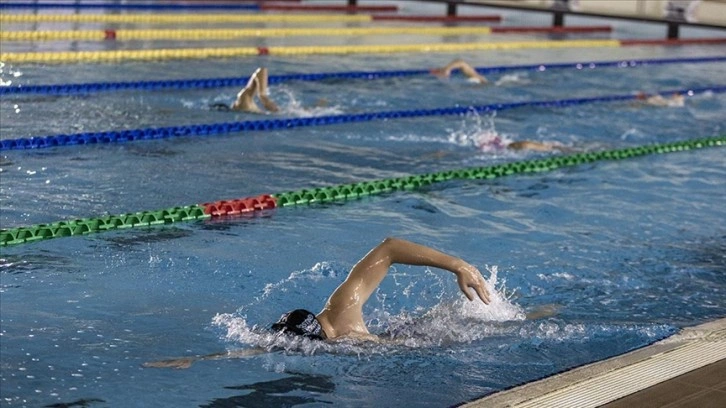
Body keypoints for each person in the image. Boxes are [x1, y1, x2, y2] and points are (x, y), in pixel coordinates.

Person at [143, 238, 490, 368]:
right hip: (415, 332)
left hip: (431, 341)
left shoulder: (348, 341)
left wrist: (202, 360)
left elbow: (265, 350)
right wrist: (458, 264)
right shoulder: (338, 309)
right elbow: (388, 247)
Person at [212, 67, 279, 113]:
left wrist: (263, 96)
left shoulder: (243, 103)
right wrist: (263, 97)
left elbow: (262, 70)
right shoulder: (245, 105)